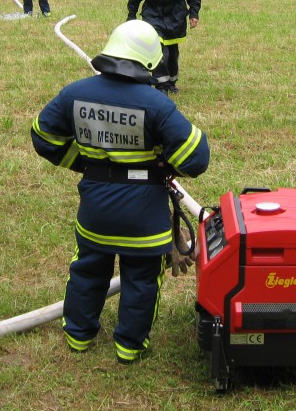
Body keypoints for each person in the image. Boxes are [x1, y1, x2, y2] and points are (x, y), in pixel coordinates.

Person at [32, 20, 210, 364]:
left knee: (87, 270)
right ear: (149, 62)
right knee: (142, 279)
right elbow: (196, 158)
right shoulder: (156, 104)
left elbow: (43, 136)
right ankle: (130, 346)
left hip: (95, 209)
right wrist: (165, 162)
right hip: (143, 216)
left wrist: (86, 165)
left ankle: (78, 335)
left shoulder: (74, 93)